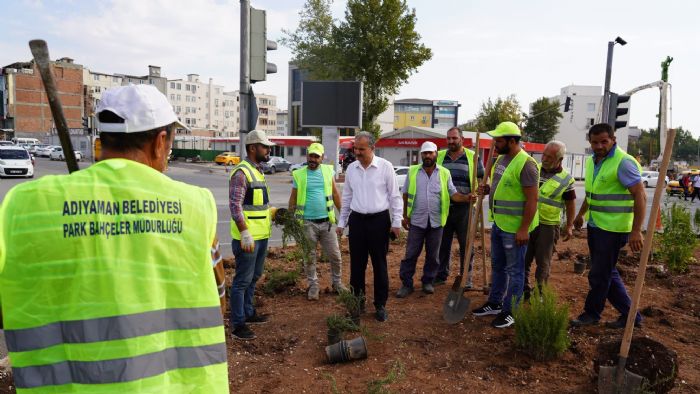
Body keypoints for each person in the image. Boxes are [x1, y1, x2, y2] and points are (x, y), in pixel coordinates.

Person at [0, 85, 228, 392]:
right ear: (160, 142)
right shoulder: (195, 204)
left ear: (101, 140)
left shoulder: (24, 204)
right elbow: (218, 299)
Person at [570, 123, 646, 329]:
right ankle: (632, 317)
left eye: (604, 141)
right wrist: (580, 214)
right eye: (595, 142)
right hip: (596, 225)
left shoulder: (623, 162)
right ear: (590, 143)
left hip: (614, 229)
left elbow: (640, 195)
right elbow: (592, 193)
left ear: (613, 139)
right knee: (606, 272)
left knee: (599, 274)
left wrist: (636, 230)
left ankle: (592, 313)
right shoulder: (593, 162)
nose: (599, 146)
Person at [472, 122, 539, 329]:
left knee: (516, 271)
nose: (495, 143)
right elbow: (505, 188)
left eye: (499, 140)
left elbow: (532, 200)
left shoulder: (526, 164)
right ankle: (495, 302)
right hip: (499, 224)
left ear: (512, 141)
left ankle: (511, 311)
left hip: (515, 229)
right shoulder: (501, 159)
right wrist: (488, 188)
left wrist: (523, 229)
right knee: (498, 266)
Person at [336, 132, 403, 322]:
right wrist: (342, 223)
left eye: (361, 149)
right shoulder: (351, 169)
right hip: (357, 222)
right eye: (355, 148)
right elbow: (347, 198)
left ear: (372, 148)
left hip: (379, 222)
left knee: (379, 265)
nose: (357, 152)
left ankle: (380, 305)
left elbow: (394, 197)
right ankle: (357, 305)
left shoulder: (385, 167)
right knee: (357, 266)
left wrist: (396, 222)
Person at [396, 142, 475, 297]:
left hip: (437, 222)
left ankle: (428, 281)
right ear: (421, 155)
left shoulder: (444, 173)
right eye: (424, 153)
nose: (427, 156)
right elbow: (405, 195)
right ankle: (406, 284)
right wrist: (405, 216)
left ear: (436, 154)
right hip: (417, 222)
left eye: (430, 153)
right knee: (411, 254)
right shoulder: (413, 172)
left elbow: (453, 194)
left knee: (433, 255)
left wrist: (466, 197)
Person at [229, 130, 277, 340]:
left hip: (261, 236)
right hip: (248, 239)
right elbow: (235, 206)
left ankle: (248, 313)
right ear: (252, 148)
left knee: (254, 277)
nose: (268, 150)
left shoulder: (258, 171)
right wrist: (244, 232)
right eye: (264, 146)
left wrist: (273, 212)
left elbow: (256, 204)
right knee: (242, 281)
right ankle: (237, 324)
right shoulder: (242, 173)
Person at [289, 142, 346, 300]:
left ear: (322, 158)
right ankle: (313, 286)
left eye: (316, 156)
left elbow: (335, 194)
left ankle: (337, 283)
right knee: (309, 257)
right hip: (307, 223)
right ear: (307, 155)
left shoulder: (328, 172)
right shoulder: (298, 174)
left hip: (327, 223)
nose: (313, 159)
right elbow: (293, 197)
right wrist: (289, 217)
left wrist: (343, 214)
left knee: (335, 255)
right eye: (310, 155)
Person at [523, 141, 576, 299]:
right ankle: (523, 289)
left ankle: (540, 293)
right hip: (527, 221)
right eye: (544, 154)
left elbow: (570, 204)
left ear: (559, 159)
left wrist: (569, 225)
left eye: (549, 157)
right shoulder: (533, 168)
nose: (544, 158)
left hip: (548, 226)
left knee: (543, 262)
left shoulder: (566, 179)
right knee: (523, 259)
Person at [434, 127, 484, 289]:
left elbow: (482, 178)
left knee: (467, 245)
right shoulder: (440, 156)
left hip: (466, 208)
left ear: (461, 139)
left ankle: (466, 279)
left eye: (454, 138)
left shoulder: (472, 156)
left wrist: (481, 189)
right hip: (444, 207)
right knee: (443, 244)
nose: (450, 141)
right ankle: (441, 275)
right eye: (448, 138)